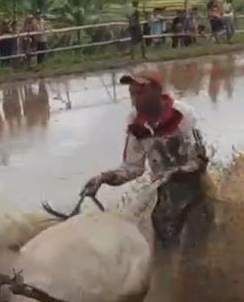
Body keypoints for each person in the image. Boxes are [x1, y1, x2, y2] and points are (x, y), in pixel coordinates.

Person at [81, 70, 210, 251]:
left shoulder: (182, 114)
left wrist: (176, 172)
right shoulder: (135, 124)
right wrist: (102, 178)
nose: (135, 100)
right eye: (132, 94)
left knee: (198, 238)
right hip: (164, 190)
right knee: (158, 230)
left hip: (193, 185)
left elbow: (201, 159)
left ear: (157, 91)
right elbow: (132, 168)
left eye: (141, 93)